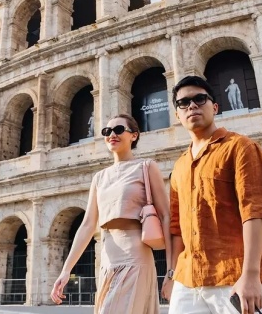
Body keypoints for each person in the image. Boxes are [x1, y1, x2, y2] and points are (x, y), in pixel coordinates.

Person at [162, 76, 262, 314]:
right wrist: (171, 275)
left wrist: (250, 275)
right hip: (187, 280)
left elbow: (254, 212)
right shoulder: (179, 167)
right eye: (183, 103)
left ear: (215, 107)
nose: (192, 106)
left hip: (235, 273)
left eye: (200, 99)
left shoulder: (241, 147)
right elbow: (177, 229)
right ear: (177, 115)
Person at [50, 114, 171, 314]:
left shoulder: (146, 167)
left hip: (135, 257)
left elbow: (166, 216)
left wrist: (170, 270)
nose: (111, 135)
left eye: (118, 130)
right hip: (107, 260)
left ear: (134, 136)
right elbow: (88, 225)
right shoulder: (99, 177)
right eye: (107, 131)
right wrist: (65, 270)